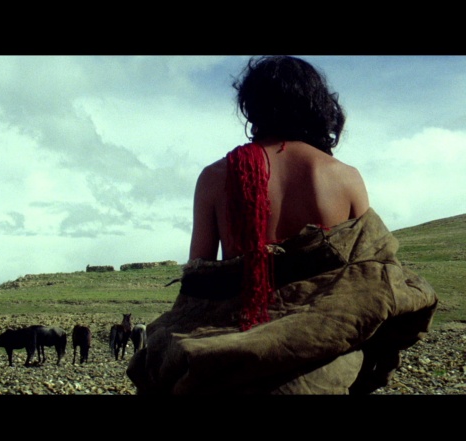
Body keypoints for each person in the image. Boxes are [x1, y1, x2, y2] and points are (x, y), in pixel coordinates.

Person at [126, 55, 438, 395]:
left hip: (225, 359)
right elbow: (373, 277)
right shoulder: (344, 178)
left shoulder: (214, 177)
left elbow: (198, 284)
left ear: (251, 106)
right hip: (318, 367)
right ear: (316, 105)